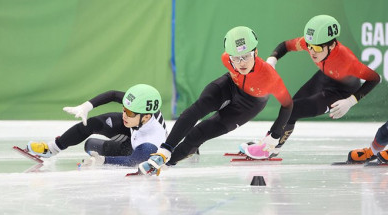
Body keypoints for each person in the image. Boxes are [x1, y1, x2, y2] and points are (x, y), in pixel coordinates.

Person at [138, 26, 293, 175]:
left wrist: (274, 135)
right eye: (236, 59)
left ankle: (167, 163)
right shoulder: (226, 59)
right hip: (231, 84)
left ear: (256, 52)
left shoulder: (269, 78)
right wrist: (166, 149)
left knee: (199, 133)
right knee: (198, 108)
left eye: (246, 56)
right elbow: (236, 64)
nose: (241, 63)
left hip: (249, 105)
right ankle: (163, 153)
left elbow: (288, 105)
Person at [262, 15, 381, 154]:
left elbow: (375, 78)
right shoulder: (312, 43)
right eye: (310, 47)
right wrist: (272, 60)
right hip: (325, 77)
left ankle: (270, 145)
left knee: (293, 109)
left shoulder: (346, 59)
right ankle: (272, 146)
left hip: (341, 92)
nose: (312, 51)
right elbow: (285, 46)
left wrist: (350, 101)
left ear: (332, 45)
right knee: (289, 106)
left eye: (317, 49)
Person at [26, 84, 167, 167]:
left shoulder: (151, 142)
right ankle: (51, 148)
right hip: (133, 129)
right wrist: (87, 106)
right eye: (124, 109)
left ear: (146, 117)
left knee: (90, 145)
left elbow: (132, 161)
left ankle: (110, 148)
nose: (124, 114)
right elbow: (112, 94)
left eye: (129, 113)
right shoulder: (141, 106)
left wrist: (102, 161)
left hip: (132, 150)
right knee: (93, 123)